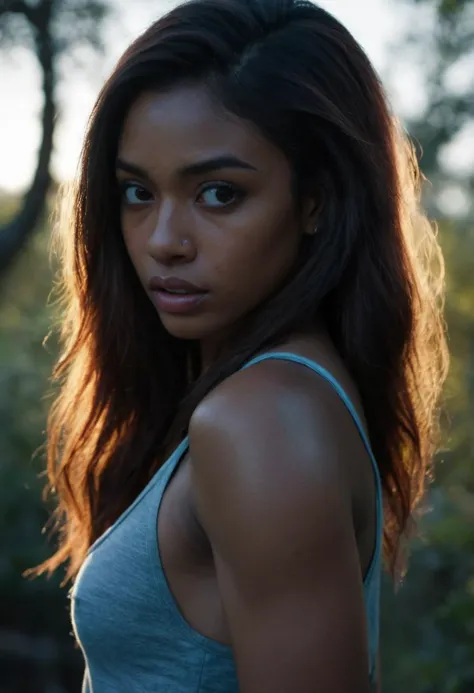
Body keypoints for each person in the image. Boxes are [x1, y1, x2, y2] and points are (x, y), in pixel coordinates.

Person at [33, 0, 448, 691]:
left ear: (315, 199)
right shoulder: (271, 396)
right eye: (137, 192)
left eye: (219, 193)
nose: (164, 239)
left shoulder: (261, 422)